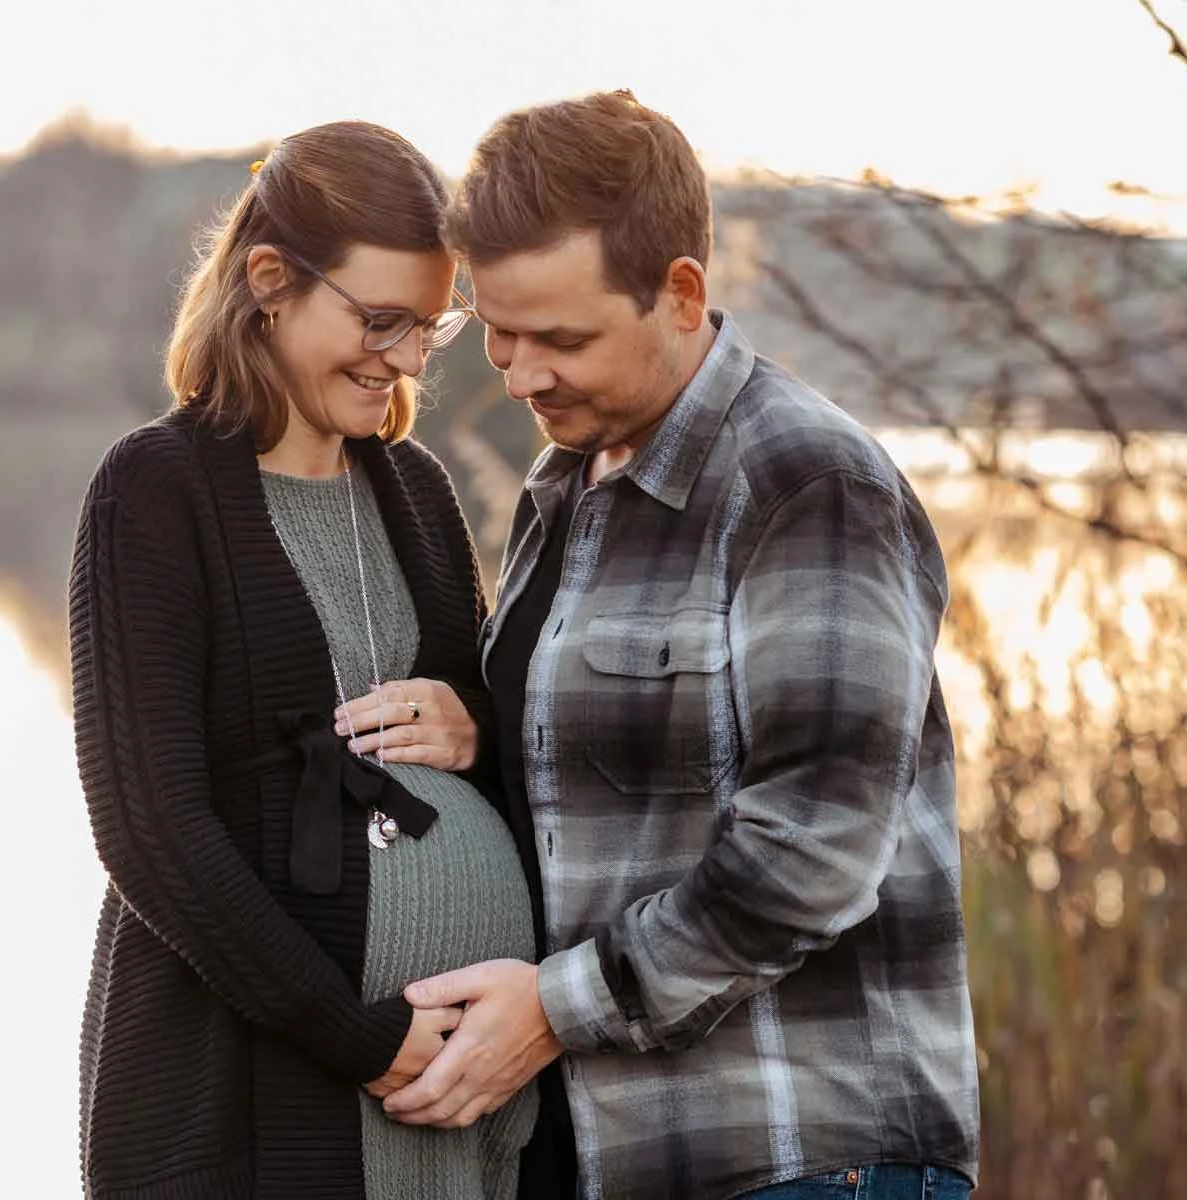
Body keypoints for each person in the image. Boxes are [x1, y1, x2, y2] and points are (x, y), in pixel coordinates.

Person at [377, 91, 982, 1200]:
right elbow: (613, 801)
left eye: (561, 337)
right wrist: (488, 736)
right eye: (498, 332)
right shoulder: (567, 485)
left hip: (802, 1161)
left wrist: (555, 1011)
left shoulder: (805, 482)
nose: (518, 375)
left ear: (681, 294)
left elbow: (814, 850)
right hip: (617, 1158)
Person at [67, 120, 538, 1200]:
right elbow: (149, 827)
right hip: (249, 1089)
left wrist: (474, 728)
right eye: (377, 321)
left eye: (431, 326)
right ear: (271, 280)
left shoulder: (415, 493)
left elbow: (484, 743)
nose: (407, 360)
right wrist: (354, 1033)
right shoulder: (157, 489)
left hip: (446, 1116)